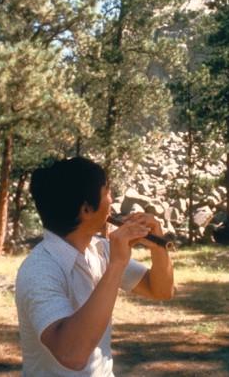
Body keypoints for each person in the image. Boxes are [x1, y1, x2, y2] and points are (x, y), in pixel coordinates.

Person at [15, 156, 174, 376]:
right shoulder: (39, 270)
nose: (112, 199)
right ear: (87, 209)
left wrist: (158, 247)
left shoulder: (101, 249)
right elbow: (72, 354)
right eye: (107, 191)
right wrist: (117, 264)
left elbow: (161, 291)